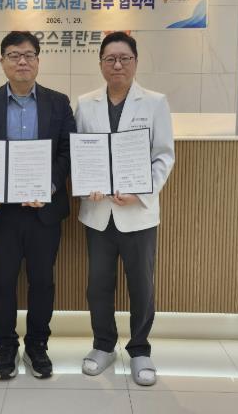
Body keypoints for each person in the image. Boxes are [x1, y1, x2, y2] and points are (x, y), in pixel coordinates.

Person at [0, 31, 76, 380]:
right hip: (1, 212)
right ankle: (5, 347)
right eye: (14, 55)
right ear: (2, 61)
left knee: (42, 282)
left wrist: (49, 186)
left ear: (38, 61)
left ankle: (37, 346)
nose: (22, 61)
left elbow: (67, 150)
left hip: (42, 211)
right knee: (2, 282)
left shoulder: (58, 102)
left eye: (29, 55)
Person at [75, 32, 175, 386]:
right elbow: (80, 152)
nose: (117, 65)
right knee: (98, 285)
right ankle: (103, 345)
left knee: (141, 286)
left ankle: (140, 349)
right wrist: (86, 181)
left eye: (124, 58)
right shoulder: (85, 103)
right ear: (101, 63)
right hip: (98, 212)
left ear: (135, 62)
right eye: (110, 59)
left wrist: (141, 190)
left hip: (138, 213)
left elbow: (164, 156)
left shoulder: (155, 102)